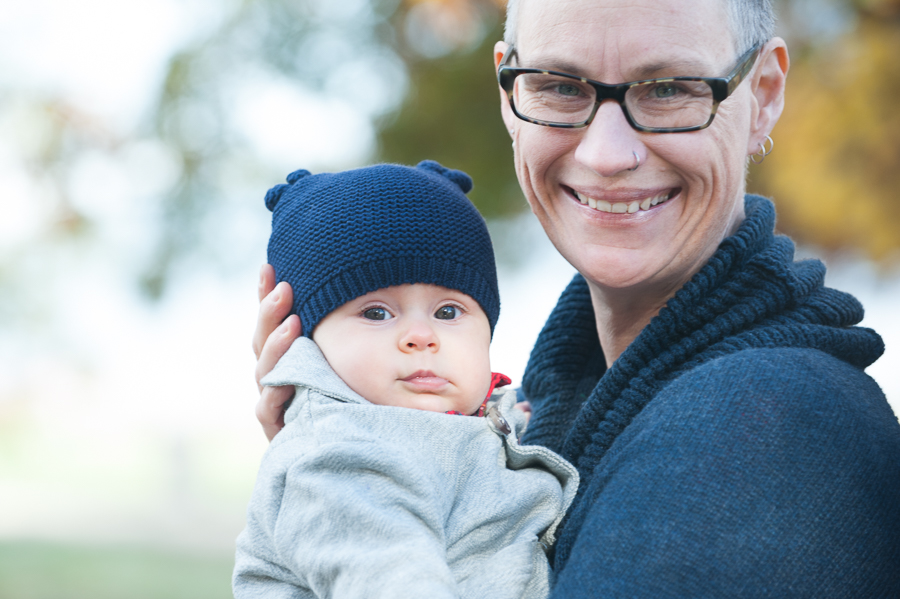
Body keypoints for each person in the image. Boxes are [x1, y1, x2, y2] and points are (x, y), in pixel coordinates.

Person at [251, 0, 900, 594]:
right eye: (561, 86)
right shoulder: (554, 403)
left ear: (763, 93)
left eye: (669, 88)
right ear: (508, 94)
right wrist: (358, 468)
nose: (607, 152)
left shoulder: (758, 431)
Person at [234, 161, 578, 599]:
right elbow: (387, 575)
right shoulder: (337, 455)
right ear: (303, 338)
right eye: (377, 313)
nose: (421, 337)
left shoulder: (481, 421)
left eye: (448, 312)